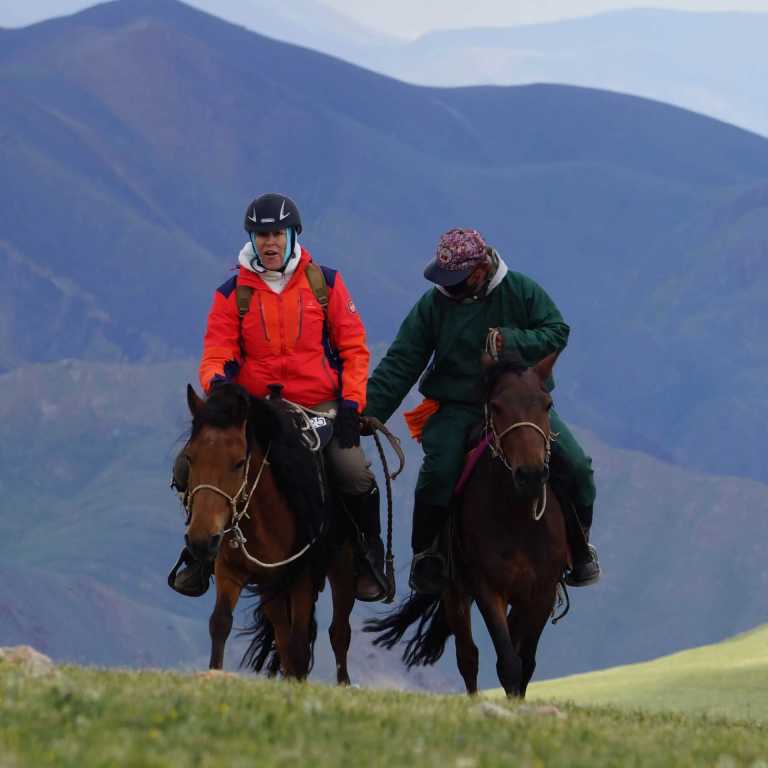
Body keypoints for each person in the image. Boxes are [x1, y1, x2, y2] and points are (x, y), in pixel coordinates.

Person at [170, 193, 388, 601]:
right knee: (188, 465)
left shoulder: (326, 284)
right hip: (257, 409)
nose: (269, 242)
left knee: (353, 471)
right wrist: (218, 385)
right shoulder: (232, 293)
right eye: (261, 234)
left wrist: (351, 404)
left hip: (318, 405)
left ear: (293, 235)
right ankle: (198, 557)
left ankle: (368, 558)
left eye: (277, 233)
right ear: (252, 239)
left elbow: (354, 348)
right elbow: (218, 351)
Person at [362, 228, 600, 594]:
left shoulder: (520, 290)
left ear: (481, 268)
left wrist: (512, 341)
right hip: (458, 405)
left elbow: (556, 331)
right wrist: (369, 411)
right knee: (439, 470)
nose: (449, 288)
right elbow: (403, 361)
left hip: (520, 404)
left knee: (576, 465)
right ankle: (426, 555)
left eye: (457, 280)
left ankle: (580, 549)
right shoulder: (433, 305)